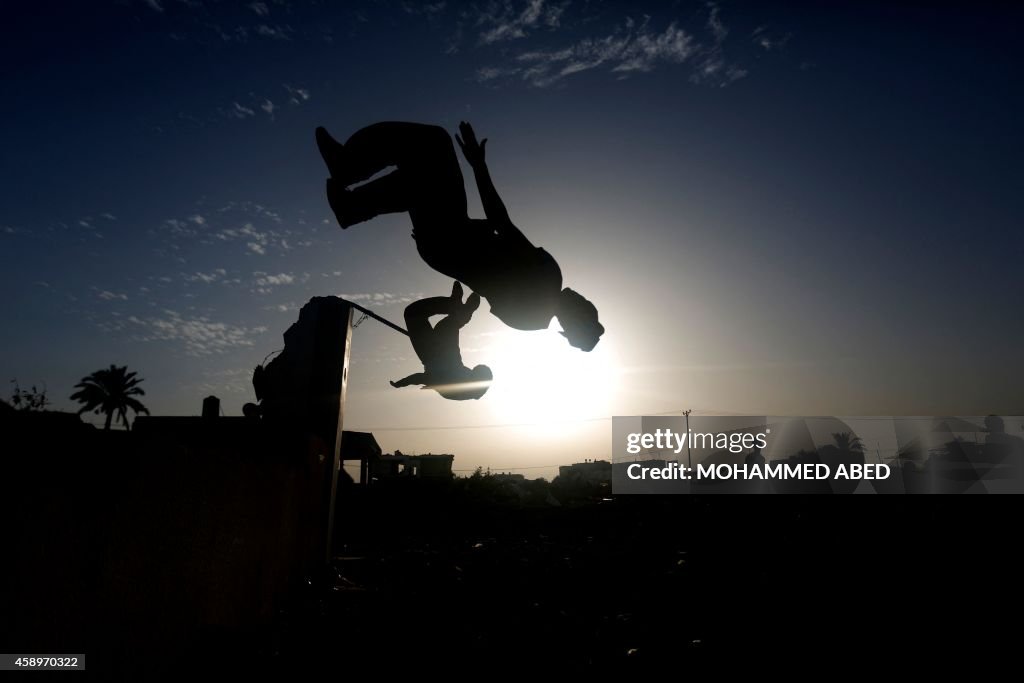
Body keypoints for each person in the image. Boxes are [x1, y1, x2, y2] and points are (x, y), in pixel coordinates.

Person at [315, 121, 604, 351]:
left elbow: (501, 225)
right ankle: (352, 204)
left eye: (587, 305)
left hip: (452, 237)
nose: (583, 297)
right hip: (444, 249)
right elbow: (488, 274)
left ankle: (349, 179)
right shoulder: (527, 321)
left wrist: (479, 166)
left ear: (579, 314)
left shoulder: (549, 278)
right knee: (419, 177)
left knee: (433, 145)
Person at [390, 282, 492, 401]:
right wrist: (401, 383)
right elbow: (421, 378)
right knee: (414, 314)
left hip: (447, 353)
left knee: (447, 325)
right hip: (432, 354)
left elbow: (424, 379)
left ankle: (455, 309)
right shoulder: (459, 385)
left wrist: (406, 382)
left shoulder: (465, 385)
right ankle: (455, 310)